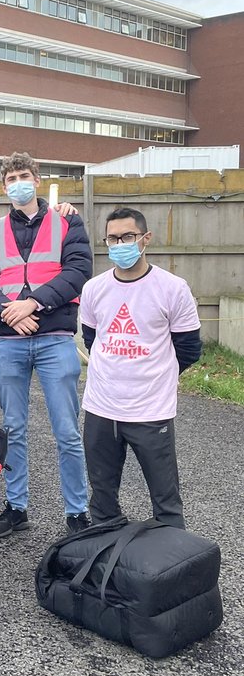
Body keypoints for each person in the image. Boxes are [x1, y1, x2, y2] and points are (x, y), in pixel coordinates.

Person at [0, 151, 93, 539]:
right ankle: (16, 507)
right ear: (3, 187)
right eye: (11, 179)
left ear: (37, 180)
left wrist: (33, 302)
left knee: (67, 431)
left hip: (55, 337)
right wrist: (9, 313)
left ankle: (77, 513)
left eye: (24, 176)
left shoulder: (67, 221)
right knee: (13, 428)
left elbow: (78, 270)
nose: (18, 184)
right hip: (10, 340)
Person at [80, 207, 201, 528]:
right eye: (113, 238)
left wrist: (156, 375)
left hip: (151, 410)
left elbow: (189, 348)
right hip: (101, 408)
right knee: (102, 497)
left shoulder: (172, 288)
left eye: (128, 236)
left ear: (145, 238)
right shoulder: (94, 289)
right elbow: (92, 339)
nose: (120, 244)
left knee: (166, 499)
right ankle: (106, 551)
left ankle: (172, 553)